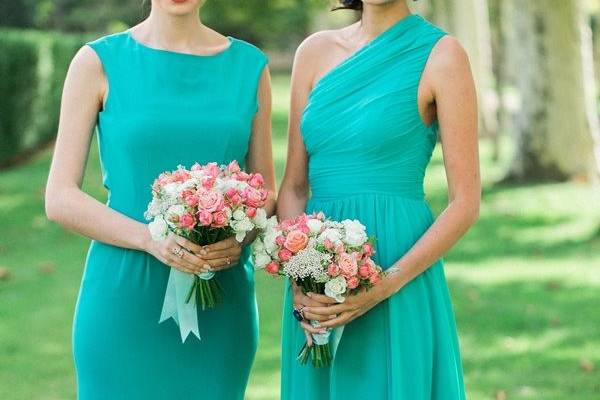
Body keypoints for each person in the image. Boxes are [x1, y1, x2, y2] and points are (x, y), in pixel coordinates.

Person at [45, 0, 275, 398]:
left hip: (220, 297)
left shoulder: (250, 66)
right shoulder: (97, 62)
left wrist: (237, 239)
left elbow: (266, 190)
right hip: (123, 297)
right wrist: (148, 238)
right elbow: (60, 196)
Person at [277, 0, 479, 398]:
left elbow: (465, 203)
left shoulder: (443, 55)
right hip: (314, 283)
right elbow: (295, 188)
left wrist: (382, 286)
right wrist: (299, 273)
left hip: (397, 272)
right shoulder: (313, 53)